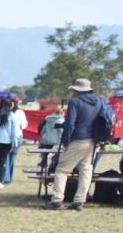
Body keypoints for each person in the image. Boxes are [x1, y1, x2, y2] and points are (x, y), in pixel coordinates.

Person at [47, 78, 112, 211]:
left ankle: (57, 200)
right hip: (93, 140)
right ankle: (79, 201)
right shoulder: (99, 101)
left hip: (77, 139)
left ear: (76, 90)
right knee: (86, 171)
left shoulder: (75, 102)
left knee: (62, 170)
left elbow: (70, 123)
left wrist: (66, 141)